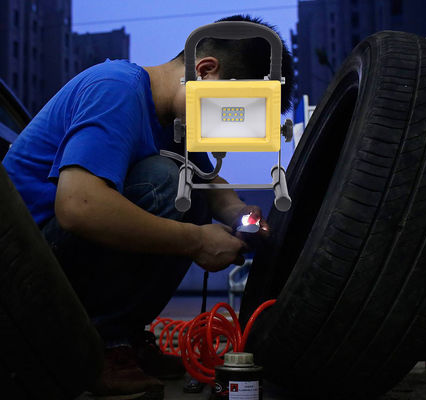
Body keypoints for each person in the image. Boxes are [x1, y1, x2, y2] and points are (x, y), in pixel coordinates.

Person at [2, 14, 293, 399]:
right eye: (232, 114)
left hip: (51, 270)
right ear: (206, 72)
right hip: (17, 278)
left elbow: (214, 189)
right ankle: (95, 350)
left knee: (188, 186)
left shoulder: (170, 123)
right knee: (167, 181)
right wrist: (196, 241)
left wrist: (246, 219)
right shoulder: (116, 88)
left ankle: (121, 340)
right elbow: (78, 205)